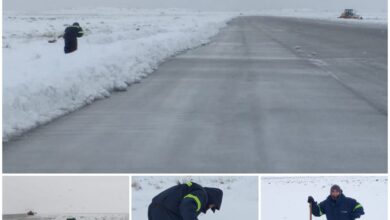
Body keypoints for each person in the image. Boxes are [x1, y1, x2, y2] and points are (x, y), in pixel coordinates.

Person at [148, 181, 223, 220]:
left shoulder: (194, 190)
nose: (209, 207)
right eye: (212, 205)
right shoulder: (202, 195)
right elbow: (186, 205)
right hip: (166, 212)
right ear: (212, 198)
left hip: (153, 209)